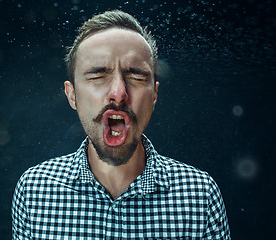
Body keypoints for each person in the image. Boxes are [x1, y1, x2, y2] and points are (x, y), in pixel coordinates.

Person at [12, 10, 230, 239]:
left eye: (136, 76)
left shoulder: (200, 195)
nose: (118, 93)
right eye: (97, 75)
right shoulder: (34, 191)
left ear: (154, 95)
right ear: (72, 95)